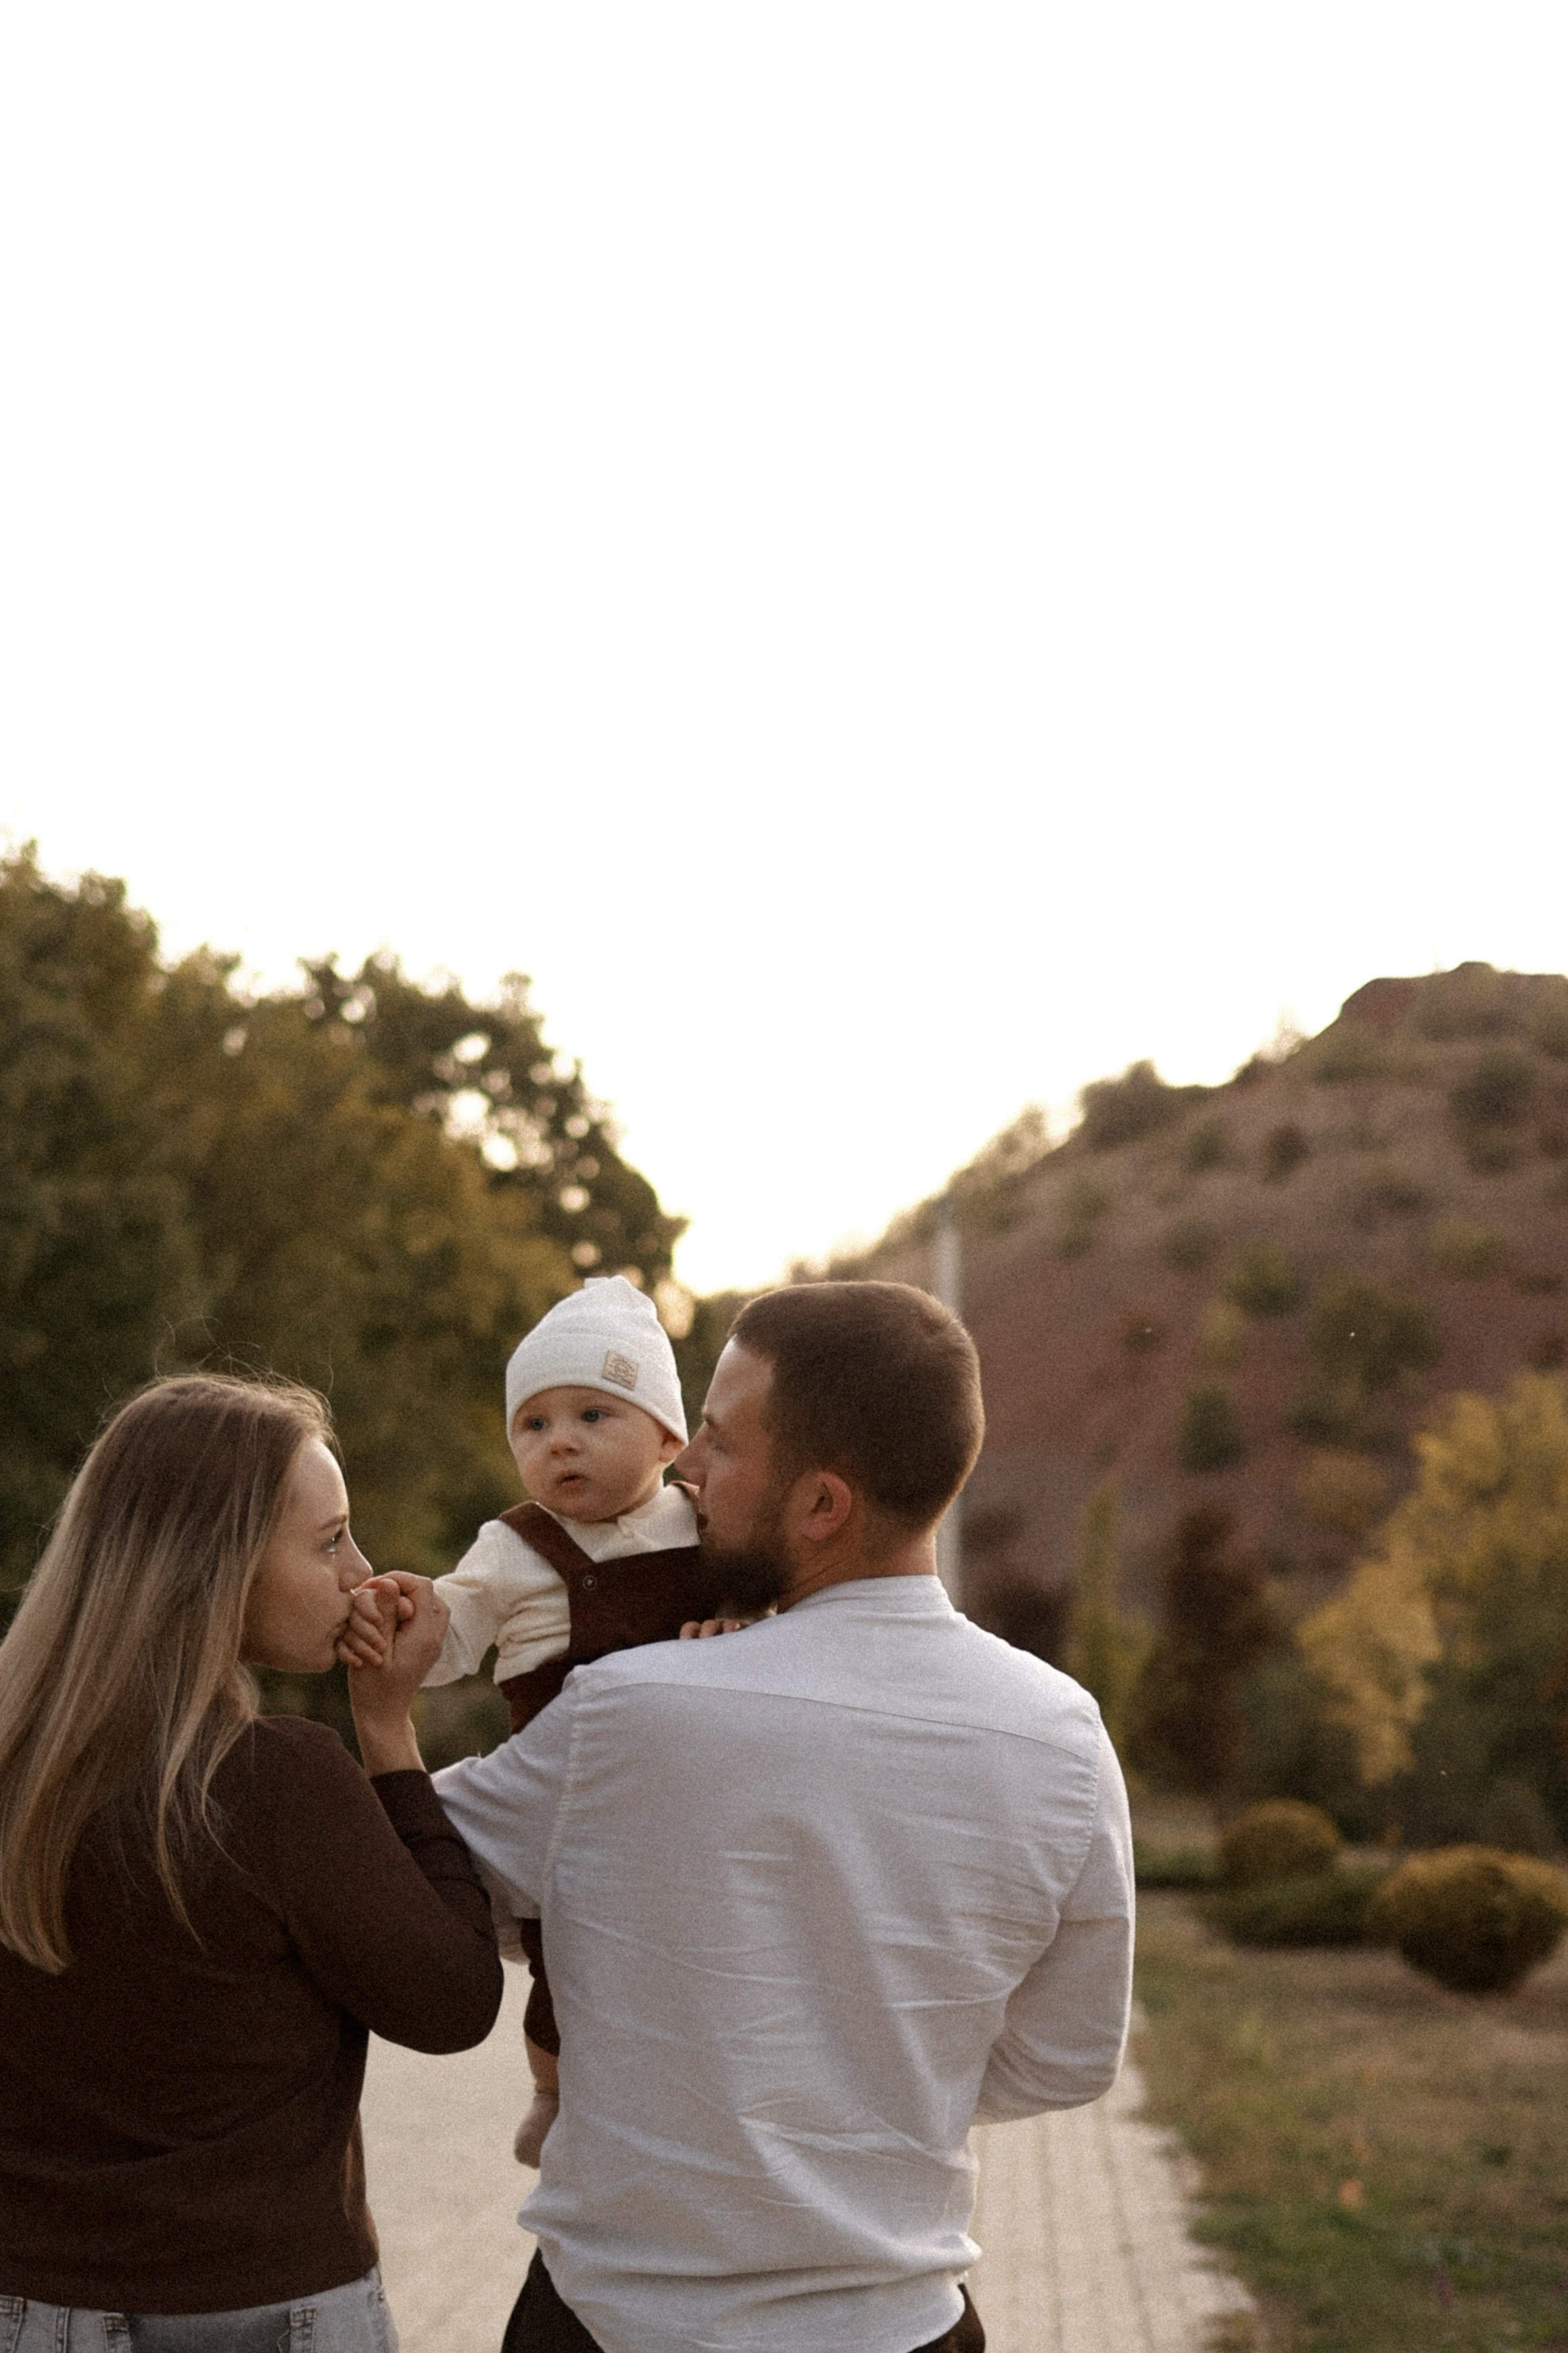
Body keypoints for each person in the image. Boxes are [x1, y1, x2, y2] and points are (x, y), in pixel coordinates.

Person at [431, 1280, 1137, 2353]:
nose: (685, 1470)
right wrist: (870, 2079)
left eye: (718, 1441)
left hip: (617, 2327)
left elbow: (415, 1875)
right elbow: (1072, 2057)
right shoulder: (1063, 1737)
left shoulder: (627, 1710)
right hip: (906, 2325)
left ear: (821, 1507)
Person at [0, 1372, 502, 2351]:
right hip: (264, 2310)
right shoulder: (279, 1784)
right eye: (328, 1542)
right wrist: (387, 1734)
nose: (362, 1572)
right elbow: (452, 2003)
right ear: (213, 1566)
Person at [413, 1276, 719, 2165]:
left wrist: (740, 1621)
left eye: (594, 1415)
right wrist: (405, 1622)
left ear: (667, 1435)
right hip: (569, 1793)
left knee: (686, 1949)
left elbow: (762, 1604)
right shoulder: (511, 1546)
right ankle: (552, 2091)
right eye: (535, 1425)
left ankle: (681, 2090)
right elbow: (453, 1633)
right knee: (564, 1959)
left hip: (686, 1789)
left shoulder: (702, 1525)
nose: (562, 1444)